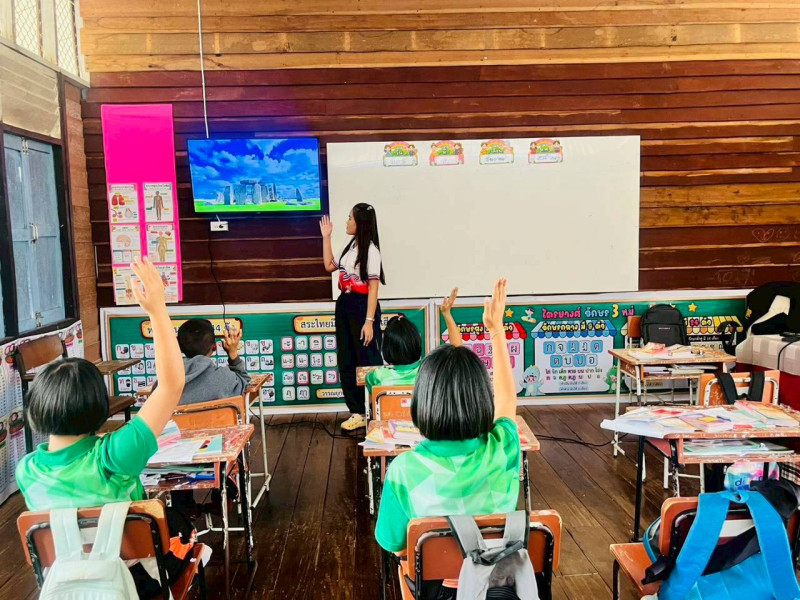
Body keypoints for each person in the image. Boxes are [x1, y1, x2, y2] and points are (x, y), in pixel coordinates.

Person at [15, 257, 193, 595]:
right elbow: (171, 385)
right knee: (183, 528)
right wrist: (157, 310)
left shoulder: (27, 470)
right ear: (99, 408)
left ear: (36, 408)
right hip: (132, 583)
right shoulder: (113, 458)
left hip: (66, 586)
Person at [375, 279, 520, 556]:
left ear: (422, 402)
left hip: (436, 580)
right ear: (481, 399)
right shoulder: (503, 449)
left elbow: (397, 548)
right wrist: (496, 330)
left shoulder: (403, 470)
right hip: (500, 577)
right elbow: (506, 401)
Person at [320, 204, 385, 431]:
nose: (347, 222)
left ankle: (373, 411)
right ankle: (356, 411)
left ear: (360, 224)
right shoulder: (350, 247)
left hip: (362, 307)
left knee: (366, 358)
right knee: (346, 358)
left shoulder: (371, 251)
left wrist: (369, 321)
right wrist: (326, 237)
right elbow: (329, 266)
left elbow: (373, 289)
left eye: (350, 218)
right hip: (345, 304)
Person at [365, 288, 464, 397]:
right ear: (416, 342)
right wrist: (447, 314)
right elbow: (458, 354)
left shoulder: (377, 376)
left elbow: (370, 389)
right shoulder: (430, 370)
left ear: (387, 348)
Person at [173, 318, 251, 406]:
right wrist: (233, 353)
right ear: (214, 347)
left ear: (180, 348)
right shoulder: (224, 378)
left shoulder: (166, 385)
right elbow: (245, 384)